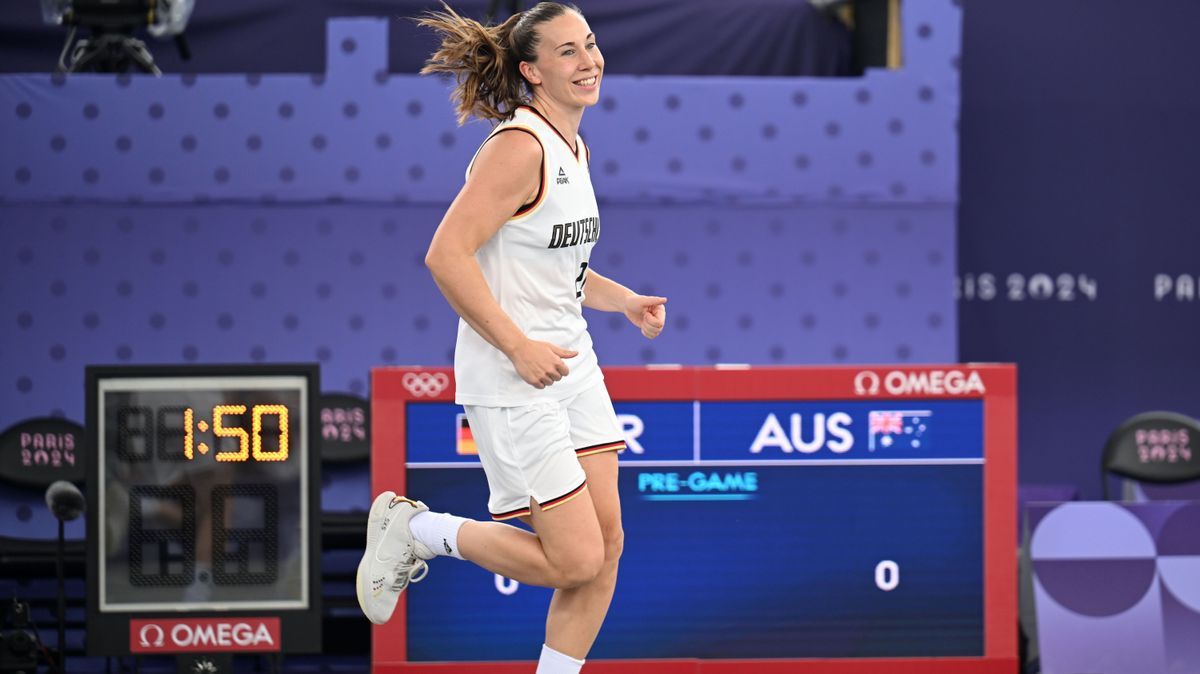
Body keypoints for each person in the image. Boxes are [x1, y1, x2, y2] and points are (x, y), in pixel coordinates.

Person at [356, 3, 667, 673]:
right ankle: (415, 529)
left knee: (607, 549)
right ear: (532, 70)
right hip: (513, 376)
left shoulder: (573, 147)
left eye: (589, 44)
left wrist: (625, 302)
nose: (588, 61)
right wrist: (517, 346)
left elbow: (557, 268)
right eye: (566, 52)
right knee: (574, 558)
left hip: (573, 366)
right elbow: (447, 255)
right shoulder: (518, 147)